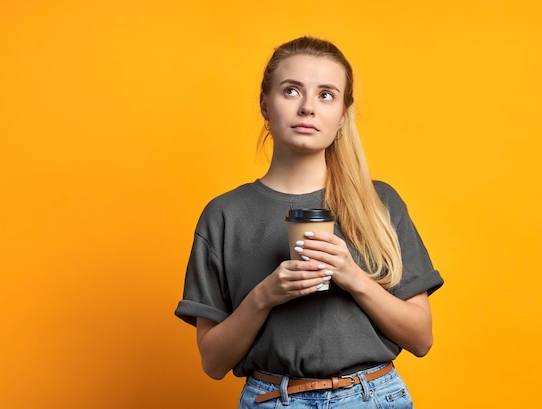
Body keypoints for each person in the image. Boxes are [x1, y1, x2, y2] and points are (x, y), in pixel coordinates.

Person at [175, 36, 444, 408]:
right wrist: (264, 296)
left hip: (372, 396)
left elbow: (421, 339)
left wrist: (353, 278)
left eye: (326, 95)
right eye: (291, 91)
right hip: (271, 398)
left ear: (343, 115)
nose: (307, 108)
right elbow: (213, 362)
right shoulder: (225, 215)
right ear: (265, 104)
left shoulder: (380, 203)